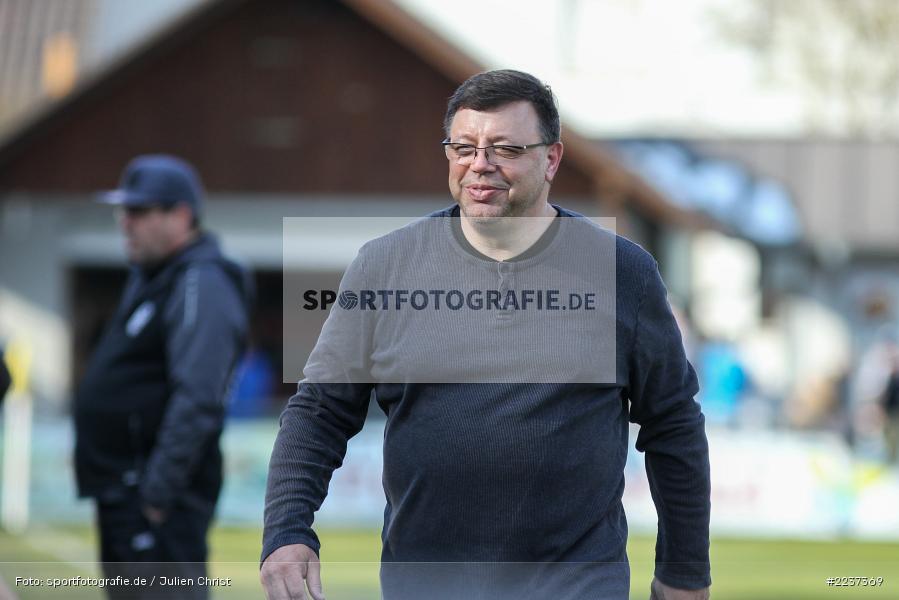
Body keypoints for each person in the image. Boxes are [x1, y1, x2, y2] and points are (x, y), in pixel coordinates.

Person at [260, 70, 710, 600]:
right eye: (464, 146)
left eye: (505, 148)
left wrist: (683, 572)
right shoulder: (384, 266)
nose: (480, 164)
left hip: (576, 584)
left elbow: (672, 424)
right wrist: (287, 532)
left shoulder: (621, 271)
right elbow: (319, 412)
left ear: (552, 159)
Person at [74, 155, 252, 599]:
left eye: (138, 212)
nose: (125, 223)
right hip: (126, 493)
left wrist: (154, 496)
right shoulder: (154, 277)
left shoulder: (200, 282)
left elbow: (199, 396)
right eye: (123, 211)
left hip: (155, 503)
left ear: (181, 215)